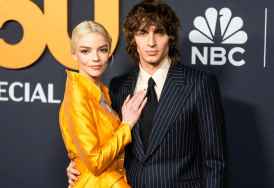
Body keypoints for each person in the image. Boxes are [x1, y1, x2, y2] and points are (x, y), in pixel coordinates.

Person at [67, 1, 227, 187]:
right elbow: (103, 144)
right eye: (143, 33)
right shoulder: (118, 86)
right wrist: (79, 165)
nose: (151, 42)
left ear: (171, 37)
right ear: (133, 38)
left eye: (159, 32)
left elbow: (215, 162)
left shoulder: (200, 83)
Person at [59, 20, 147, 188]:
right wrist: (126, 125)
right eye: (85, 51)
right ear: (74, 54)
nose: (96, 58)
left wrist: (78, 161)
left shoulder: (105, 93)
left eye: (102, 50)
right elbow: (96, 162)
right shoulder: (77, 96)